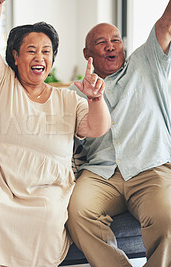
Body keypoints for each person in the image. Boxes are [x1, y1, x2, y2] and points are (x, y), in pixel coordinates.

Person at [0, 0, 111, 266]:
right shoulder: (0, 83)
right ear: (15, 56)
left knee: (50, 212)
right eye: (31, 50)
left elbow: (97, 128)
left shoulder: (69, 99)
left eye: (46, 51)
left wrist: (96, 99)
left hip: (47, 188)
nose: (40, 57)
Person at [66, 1, 171, 266]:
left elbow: (166, 24)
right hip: (101, 173)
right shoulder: (74, 93)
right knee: (77, 212)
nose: (111, 45)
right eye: (101, 42)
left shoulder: (147, 62)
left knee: (167, 217)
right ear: (86, 53)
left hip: (149, 167)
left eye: (116, 39)